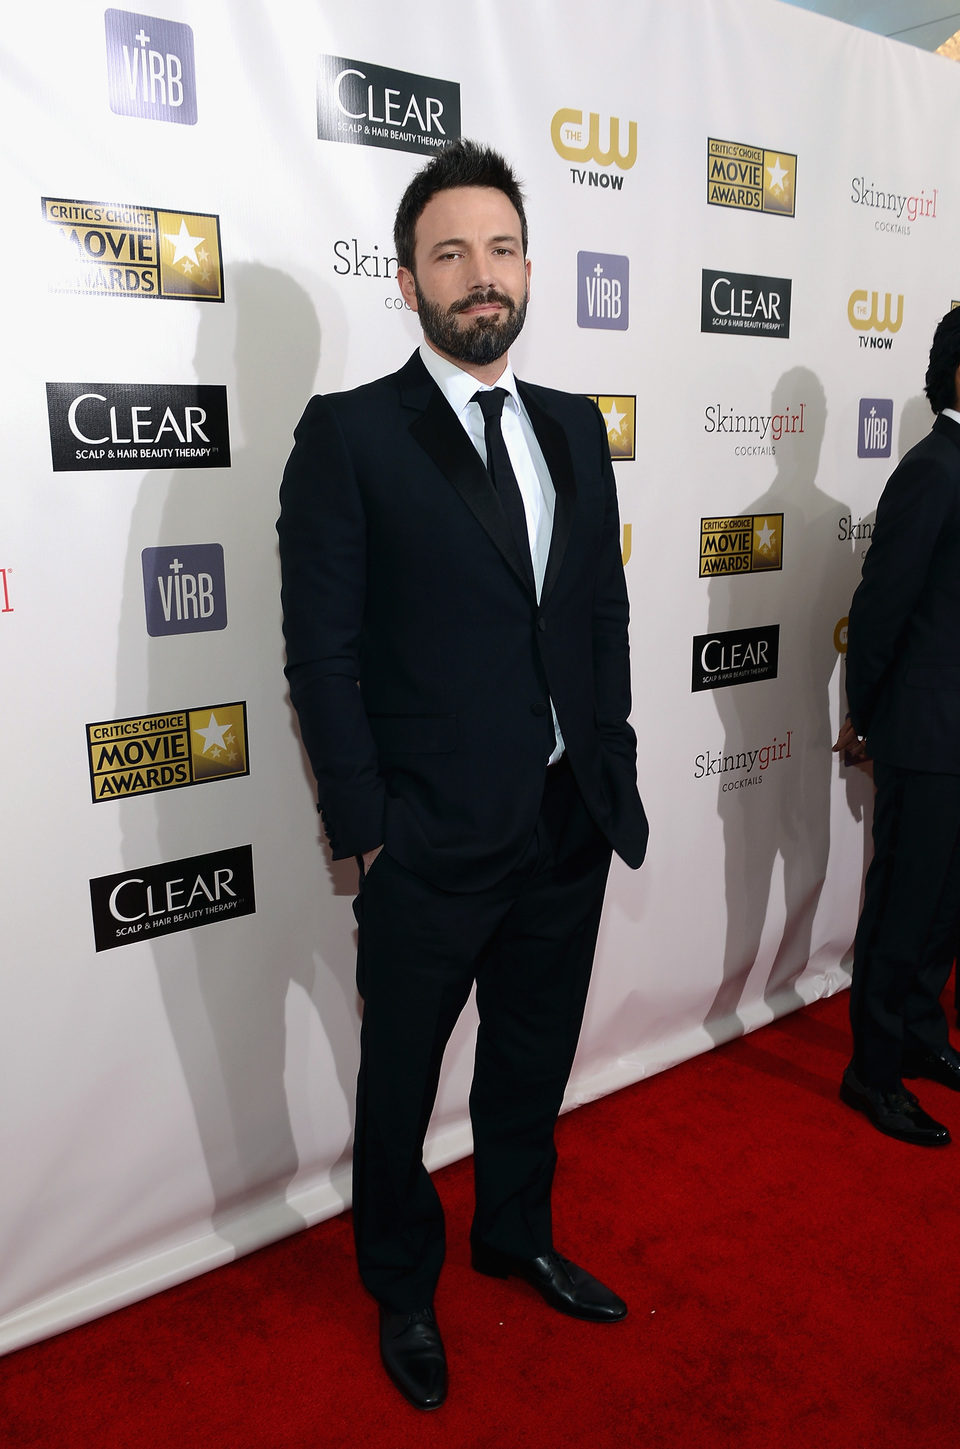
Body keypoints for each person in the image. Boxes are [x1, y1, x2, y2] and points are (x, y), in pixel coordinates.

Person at [277, 140, 648, 1409]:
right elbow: (319, 656)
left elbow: (598, 608)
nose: (479, 275)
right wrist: (369, 829)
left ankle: (515, 1233)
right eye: (450, 253)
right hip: (427, 840)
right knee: (399, 1088)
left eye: (499, 248)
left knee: (533, 1055)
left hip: (564, 818)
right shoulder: (347, 438)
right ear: (408, 281)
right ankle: (403, 1288)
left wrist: (611, 760)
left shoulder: (573, 427)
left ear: (530, 267)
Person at [834, 306, 960, 1148]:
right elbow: (879, 606)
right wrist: (868, 717)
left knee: (947, 905)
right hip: (924, 731)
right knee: (901, 907)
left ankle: (920, 1029)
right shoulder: (932, 470)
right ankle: (872, 1072)